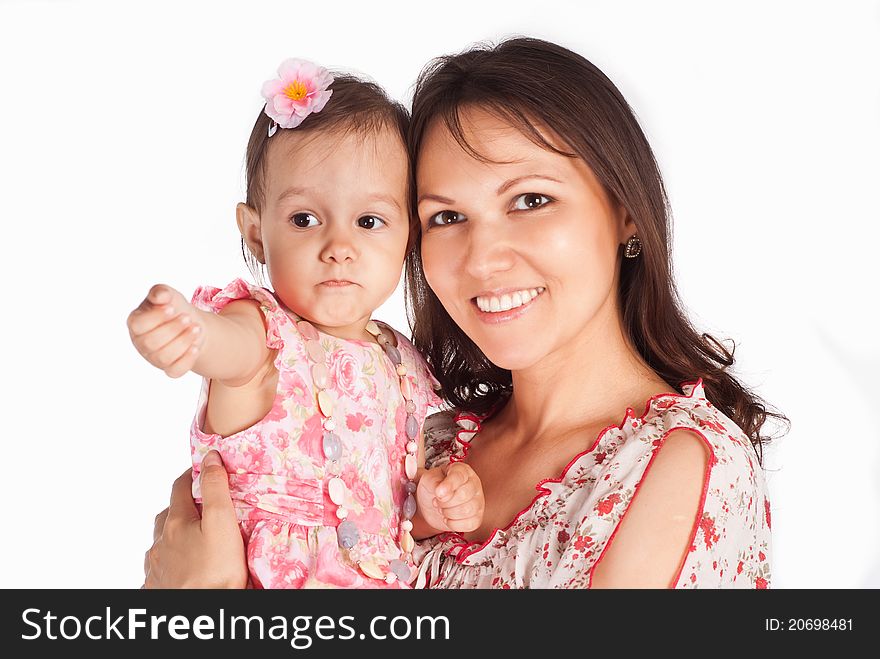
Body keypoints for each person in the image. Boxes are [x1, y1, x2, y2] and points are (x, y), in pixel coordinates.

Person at [145, 39, 785, 589]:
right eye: (447, 217)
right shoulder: (434, 443)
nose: (483, 257)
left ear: (624, 210)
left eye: (531, 200)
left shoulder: (678, 461)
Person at [131, 58, 484, 589]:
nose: (339, 248)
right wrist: (190, 331)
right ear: (255, 233)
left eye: (369, 222)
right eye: (304, 219)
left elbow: (388, 517)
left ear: (409, 236)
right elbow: (230, 351)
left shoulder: (402, 362)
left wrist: (432, 510)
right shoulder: (264, 331)